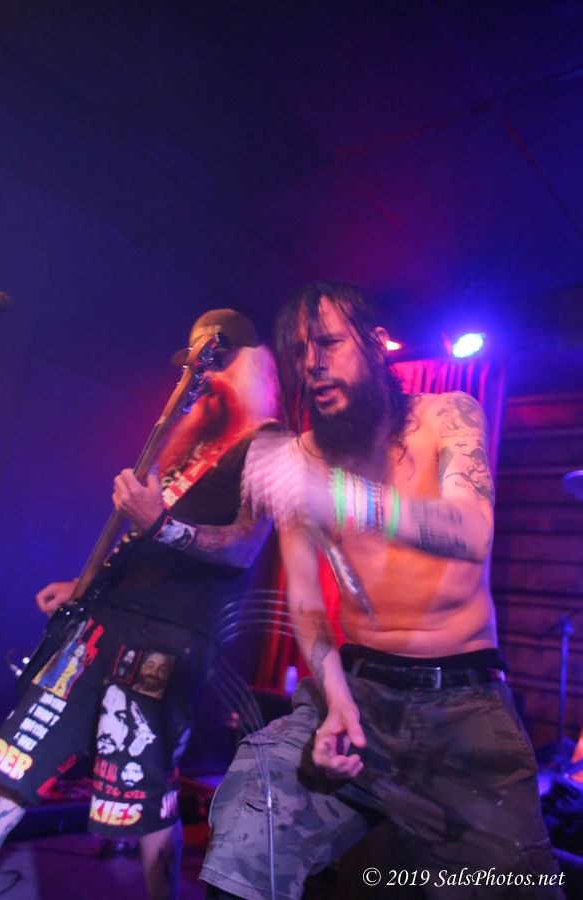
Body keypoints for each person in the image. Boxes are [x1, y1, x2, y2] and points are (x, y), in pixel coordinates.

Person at [201, 282, 564, 899]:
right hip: (359, 689)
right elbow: (307, 605)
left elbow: (472, 531)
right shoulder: (302, 457)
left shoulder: (447, 414)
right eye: (299, 352)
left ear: (374, 345)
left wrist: (338, 496)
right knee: (248, 821)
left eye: (329, 343)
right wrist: (336, 700)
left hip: (463, 706)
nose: (312, 363)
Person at [0, 309, 279, 900]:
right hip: (102, 622)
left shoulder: (268, 443)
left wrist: (161, 524)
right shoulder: (194, 443)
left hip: (168, 640)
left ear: (248, 363)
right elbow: (141, 543)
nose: (202, 376)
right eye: (195, 365)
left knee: (144, 794)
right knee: (9, 763)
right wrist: (84, 584)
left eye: (215, 361)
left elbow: (245, 548)